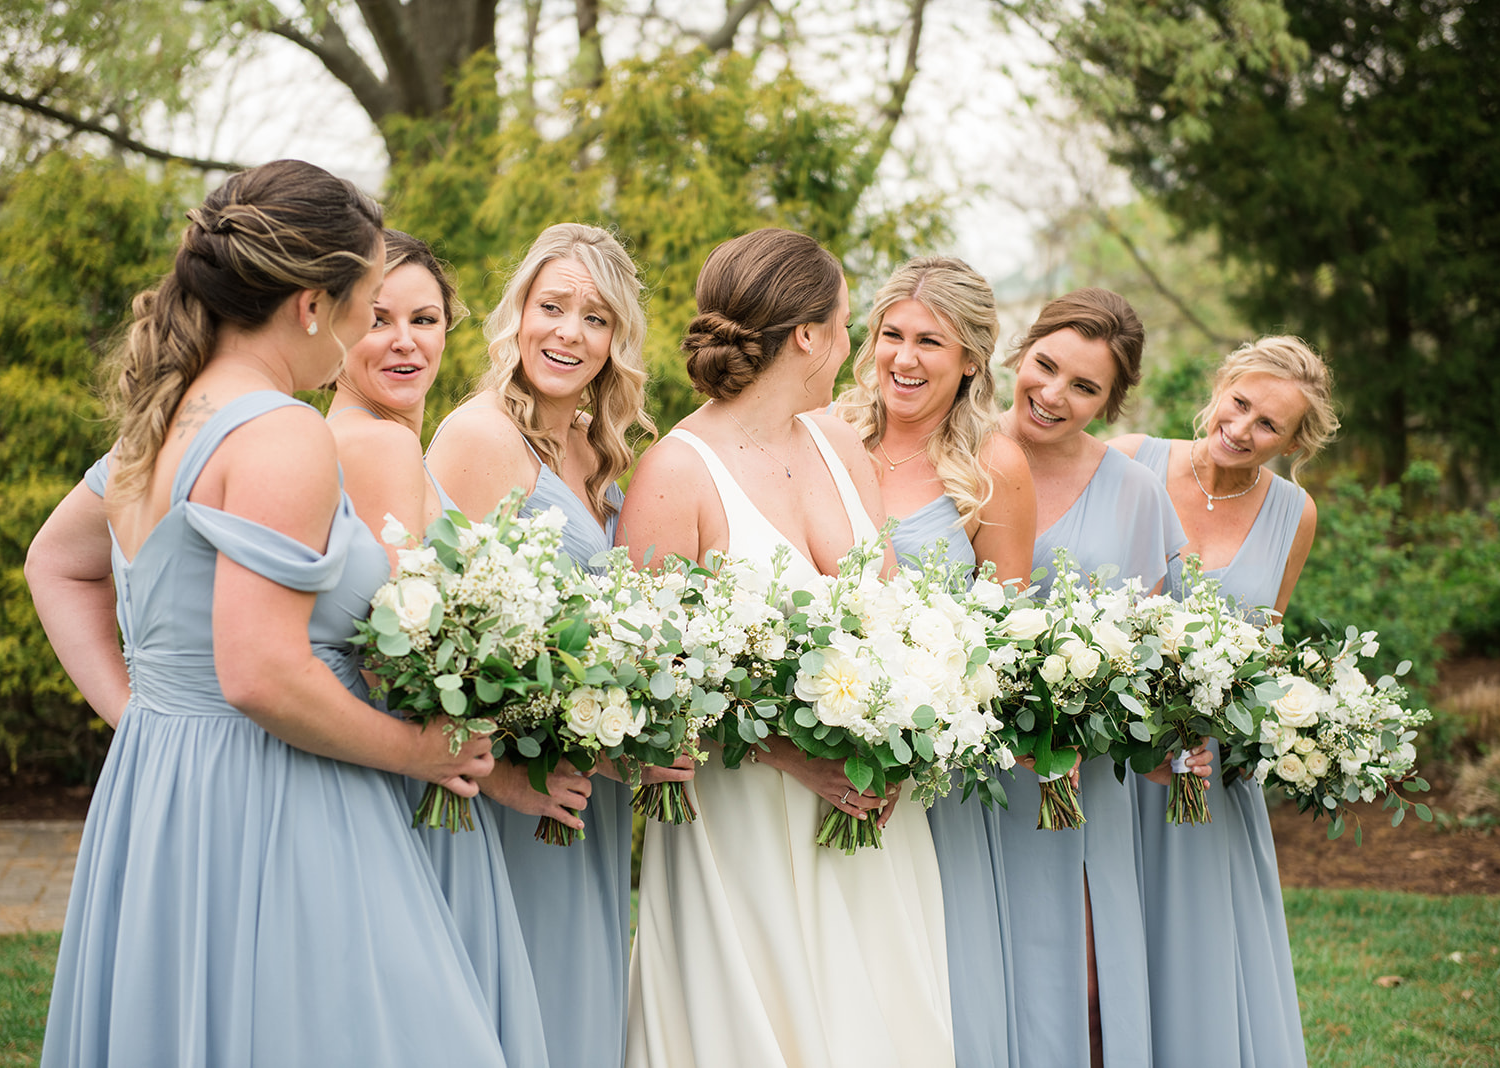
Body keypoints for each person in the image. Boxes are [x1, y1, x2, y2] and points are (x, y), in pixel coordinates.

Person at [24, 160, 505, 1066]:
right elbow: (257, 670)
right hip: (283, 799)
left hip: (166, 792)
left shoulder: (162, 418)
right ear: (312, 303)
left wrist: (147, 717)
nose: (373, 324)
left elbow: (56, 565)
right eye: (366, 295)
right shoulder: (281, 431)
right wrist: (416, 752)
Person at [621, 228, 954, 1068]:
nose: (853, 345)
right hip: (747, 816)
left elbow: (893, 623)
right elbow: (646, 689)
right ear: (807, 335)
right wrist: (796, 757)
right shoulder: (675, 474)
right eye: (845, 323)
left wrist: (906, 725)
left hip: (873, 806)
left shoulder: (842, 445)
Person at [424, 222, 685, 1068]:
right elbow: (439, 638)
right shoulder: (476, 439)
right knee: (520, 1011)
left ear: (617, 343)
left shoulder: (597, 449)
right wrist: (506, 772)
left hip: (587, 785)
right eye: (553, 307)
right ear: (518, 316)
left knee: (578, 1012)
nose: (570, 333)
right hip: (513, 795)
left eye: (597, 318)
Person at [325, 228, 549, 1065]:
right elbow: (403, 650)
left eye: (424, 319)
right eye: (377, 318)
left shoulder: (383, 438)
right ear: (338, 323)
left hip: (419, 772)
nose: (404, 340)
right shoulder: (375, 444)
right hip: (410, 778)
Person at [1111, 335, 1337, 1068]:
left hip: (1205, 779)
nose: (1241, 430)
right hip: (1106, 763)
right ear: (1221, 389)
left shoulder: (1293, 513)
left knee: (1199, 962)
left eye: (1268, 425)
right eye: (1239, 404)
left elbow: (1264, 650)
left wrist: (1240, 728)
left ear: (1294, 443)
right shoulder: (1129, 458)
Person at [833, 256, 1035, 1066]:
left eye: (930, 342)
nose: (904, 359)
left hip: (931, 779)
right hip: (818, 744)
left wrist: (915, 745)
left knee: (927, 983)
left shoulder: (995, 468)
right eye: (891, 335)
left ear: (971, 361)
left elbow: (1004, 644)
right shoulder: (824, 434)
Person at [984, 288, 1189, 1068]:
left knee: (1088, 984)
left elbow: (1152, 640)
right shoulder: (953, 453)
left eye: (1084, 387)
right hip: (959, 770)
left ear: (1112, 400)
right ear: (1020, 351)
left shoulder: (1134, 490)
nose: (1052, 395)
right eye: (1046, 366)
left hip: (1081, 776)